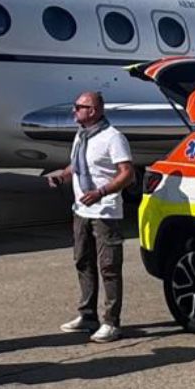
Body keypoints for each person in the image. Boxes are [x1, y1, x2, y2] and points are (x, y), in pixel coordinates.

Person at [44, 90, 134, 342]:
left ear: (92, 111)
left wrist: (101, 192)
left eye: (78, 107)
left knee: (109, 267)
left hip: (105, 213)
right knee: (83, 262)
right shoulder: (82, 135)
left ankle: (111, 322)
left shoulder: (113, 138)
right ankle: (88, 316)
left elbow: (127, 173)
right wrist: (62, 176)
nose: (74, 111)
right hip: (81, 211)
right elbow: (78, 164)